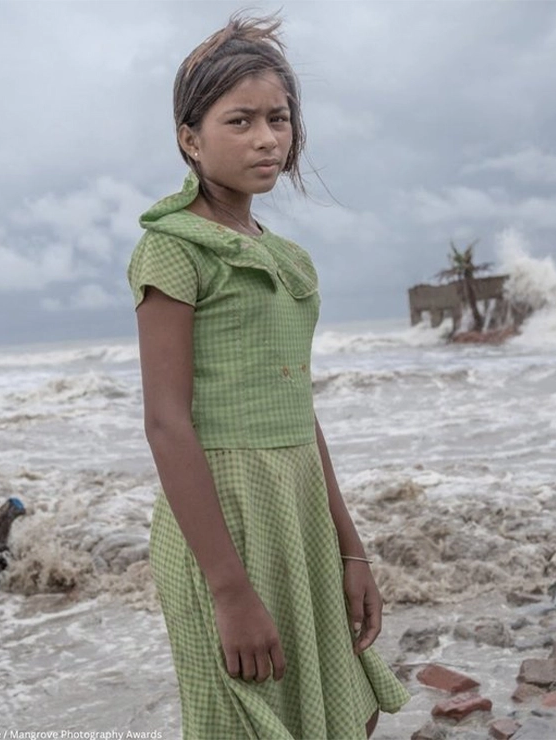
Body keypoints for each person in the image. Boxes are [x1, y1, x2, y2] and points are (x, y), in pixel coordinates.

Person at [128, 14, 407, 738]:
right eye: (240, 120)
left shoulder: (289, 261)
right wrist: (229, 591)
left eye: (278, 119)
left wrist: (351, 547)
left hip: (300, 511)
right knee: (245, 719)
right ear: (191, 139)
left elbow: (298, 410)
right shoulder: (174, 252)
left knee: (347, 708)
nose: (266, 139)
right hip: (225, 521)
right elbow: (166, 422)